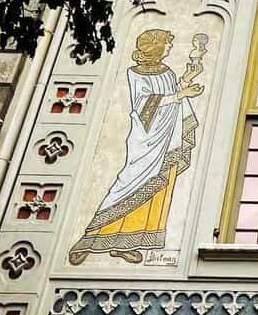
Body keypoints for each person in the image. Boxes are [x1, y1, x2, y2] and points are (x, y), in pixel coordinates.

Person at [69, 29, 202, 265]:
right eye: (167, 44)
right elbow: (144, 105)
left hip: (168, 138)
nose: (170, 47)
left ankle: (127, 243)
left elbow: (171, 94)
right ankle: (90, 239)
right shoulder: (135, 74)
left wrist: (186, 80)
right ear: (156, 48)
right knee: (129, 184)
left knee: (159, 189)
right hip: (146, 140)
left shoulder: (167, 71)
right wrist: (181, 94)